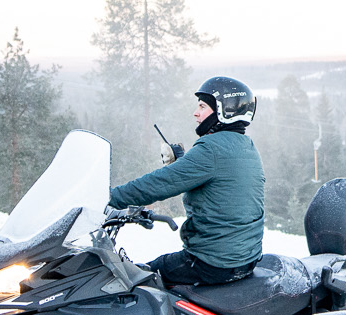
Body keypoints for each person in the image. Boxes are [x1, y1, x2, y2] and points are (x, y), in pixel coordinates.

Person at [109, 77, 265, 287]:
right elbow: (211, 178)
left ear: (224, 111)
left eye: (202, 106)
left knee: (133, 281)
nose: (196, 113)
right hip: (244, 259)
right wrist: (182, 161)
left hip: (213, 263)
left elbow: (158, 184)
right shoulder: (245, 145)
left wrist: (108, 197)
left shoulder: (211, 148)